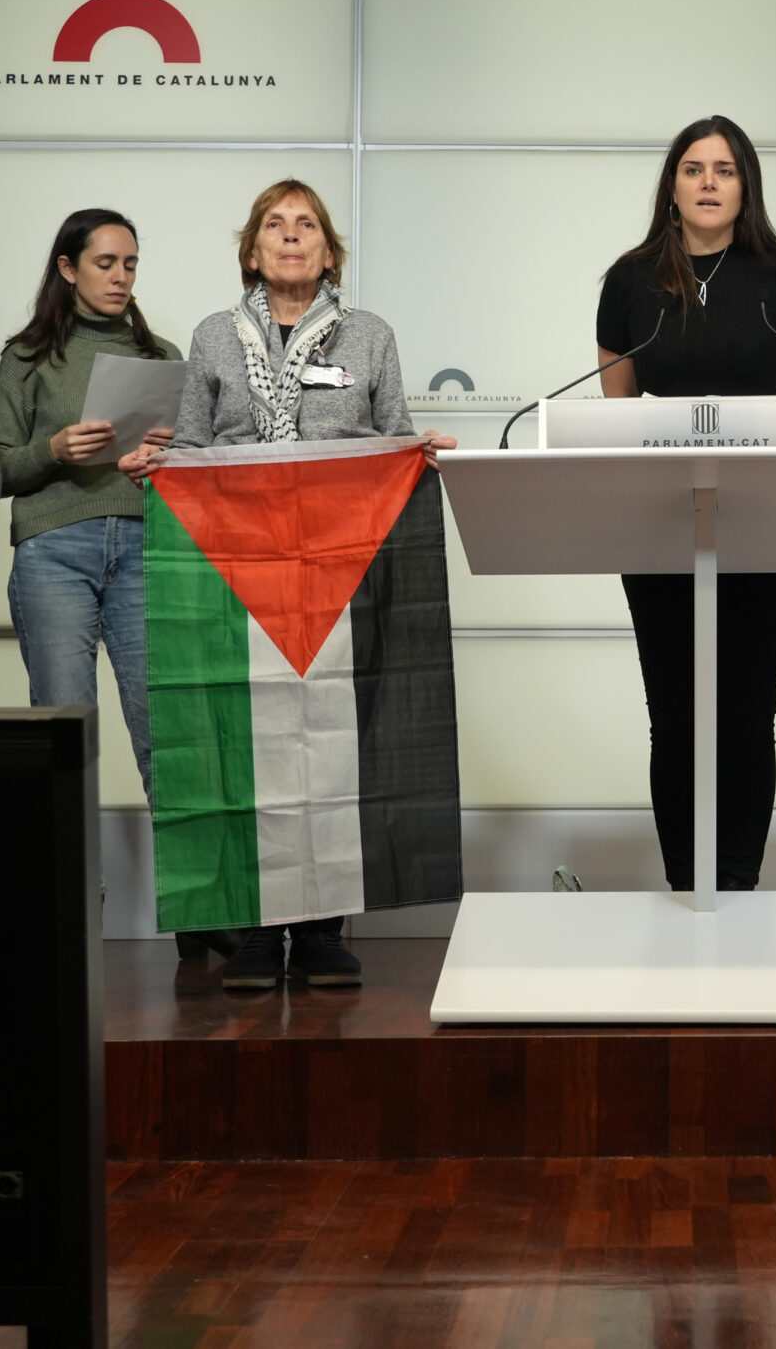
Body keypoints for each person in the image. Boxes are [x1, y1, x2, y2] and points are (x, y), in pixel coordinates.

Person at [119, 178, 452, 992]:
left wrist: (419, 456)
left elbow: (394, 437)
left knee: (335, 742)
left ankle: (324, 931)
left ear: (330, 251)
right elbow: (194, 445)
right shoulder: (214, 335)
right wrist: (160, 469)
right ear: (252, 250)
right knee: (250, 741)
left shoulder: (370, 335)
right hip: (239, 564)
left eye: (307, 225)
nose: (292, 235)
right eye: (275, 224)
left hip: (342, 562)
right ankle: (260, 932)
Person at [595, 114, 776, 895]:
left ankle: (736, 882)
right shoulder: (630, 280)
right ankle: (686, 883)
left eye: (724, 170)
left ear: (745, 185)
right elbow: (619, 404)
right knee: (675, 715)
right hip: (658, 520)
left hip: (763, 518)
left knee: (748, 715)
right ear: (672, 185)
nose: (707, 182)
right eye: (693, 168)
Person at [0, 207, 192, 922]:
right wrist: (54, 451)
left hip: (143, 542)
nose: (121, 276)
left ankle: (197, 906)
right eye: (105, 263)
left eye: (130, 264)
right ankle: (73, 904)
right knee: (66, 727)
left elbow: (194, 468)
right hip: (54, 549)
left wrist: (170, 454)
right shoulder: (27, 355)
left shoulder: (160, 354)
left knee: (164, 727)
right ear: (68, 268)